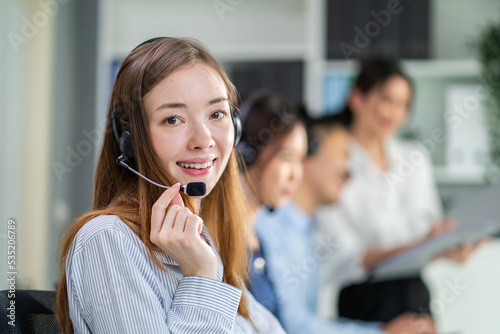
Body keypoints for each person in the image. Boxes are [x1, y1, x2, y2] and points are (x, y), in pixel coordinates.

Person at [55, 37, 285, 334]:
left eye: (216, 114)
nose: (203, 139)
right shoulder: (108, 241)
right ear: (131, 141)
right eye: (173, 119)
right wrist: (201, 277)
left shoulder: (201, 243)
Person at [315, 56, 486, 323]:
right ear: (356, 98)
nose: (394, 113)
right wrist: (418, 245)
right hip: (364, 298)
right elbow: (345, 256)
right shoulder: (335, 162)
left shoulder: (415, 158)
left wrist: (449, 246)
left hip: (414, 292)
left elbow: (428, 230)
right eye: (386, 99)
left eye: (404, 105)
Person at [255, 112, 436, 334]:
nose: (350, 171)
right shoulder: (269, 229)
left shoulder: (310, 231)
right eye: (344, 154)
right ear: (308, 154)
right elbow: (293, 325)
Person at [236, 90, 308, 320]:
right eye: (287, 158)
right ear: (246, 153)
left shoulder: (261, 240)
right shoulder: (221, 239)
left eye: (301, 160)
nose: (296, 175)